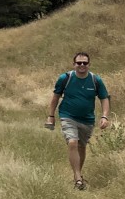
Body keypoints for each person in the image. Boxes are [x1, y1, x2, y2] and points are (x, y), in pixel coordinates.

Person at [45, 52, 110, 190]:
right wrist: (51, 115)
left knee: (82, 146)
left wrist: (104, 116)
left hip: (87, 119)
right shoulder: (65, 78)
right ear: (74, 64)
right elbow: (55, 97)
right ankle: (79, 179)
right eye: (79, 63)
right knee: (72, 142)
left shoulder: (95, 80)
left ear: (89, 65)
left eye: (85, 63)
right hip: (68, 116)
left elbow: (104, 98)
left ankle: (77, 175)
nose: (82, 65)